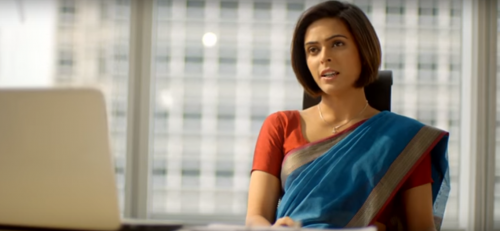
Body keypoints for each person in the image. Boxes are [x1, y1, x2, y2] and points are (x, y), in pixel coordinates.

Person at [245, 1, 450, 231]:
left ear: (363, 51)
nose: (324, 57)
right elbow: (255, 220)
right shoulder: (280, 125)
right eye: (313, 49)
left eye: (337, 44)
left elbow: (421, 228)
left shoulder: (407, 140)